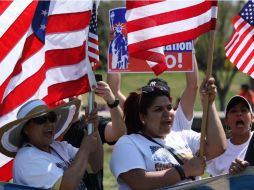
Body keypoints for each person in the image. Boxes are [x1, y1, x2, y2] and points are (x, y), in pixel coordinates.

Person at [110, 77, 226, 189]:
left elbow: (218, 147)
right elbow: (140, 182)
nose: (167, 113)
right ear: (142, 116)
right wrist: (185, 170)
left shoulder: (183, 136)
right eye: (158, 109)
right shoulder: (128, 143)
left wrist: (209, 104)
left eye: (169, 107)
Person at [0, 99, 102, 190]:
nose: (49, 124)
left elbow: (95, 165)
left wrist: (93, 128)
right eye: (40, 119)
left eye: (51, 118)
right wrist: (84, 149)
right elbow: (66, 187)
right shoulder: (26, 158)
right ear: (26, 129)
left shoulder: (59, 147)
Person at [107, 52, 199, 132]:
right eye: (157, 108)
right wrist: (114, 49)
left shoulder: (179, 119)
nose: (165, 113)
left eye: (167, 107)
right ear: (143, 116)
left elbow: (192, 87)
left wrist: (190, 49)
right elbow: (113, 91)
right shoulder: (138, 116)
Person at [63, 81, 126, 189]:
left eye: (75, 91)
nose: (72, 97)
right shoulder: (51, 131)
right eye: (67, 93)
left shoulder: (93, 124)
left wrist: (111, 101)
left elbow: (118, 132)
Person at [206, 95, 254, 176]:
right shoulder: (218, 151)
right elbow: (214, 184)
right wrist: (230, 175)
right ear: (226, 121)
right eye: (233, 111)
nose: (239, 114)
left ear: (252, 118)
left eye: (243, 110)